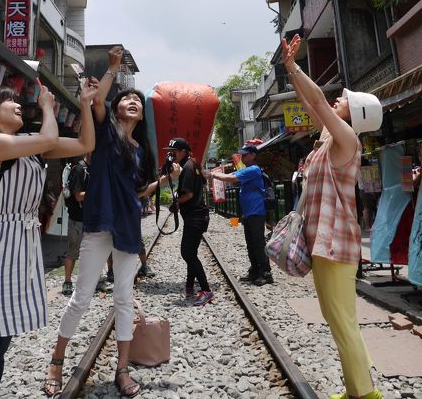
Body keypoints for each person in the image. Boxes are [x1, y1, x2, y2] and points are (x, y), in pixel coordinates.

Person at [0, 78, 98, 399]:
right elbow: (51, 137)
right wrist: (46, 107)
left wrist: (84, 103)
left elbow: (85, 145)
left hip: (19, 253)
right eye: (8, 101)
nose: (17, 104)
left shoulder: (32, 143)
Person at [44, 46, 180, 398]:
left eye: (138, 99)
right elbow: (96, 101)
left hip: (128, 227)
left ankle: (122, 369)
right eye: (127, 98)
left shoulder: (141, 149)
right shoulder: (105, 133)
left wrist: (164, 182)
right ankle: (57, 360)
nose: (133, 101)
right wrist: (112, 67)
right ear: (117, 106)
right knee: (82, 296)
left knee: (123, 297)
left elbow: (137, 192)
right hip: (100, 222)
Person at [282, 33, 383, 399]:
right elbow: (313, 103)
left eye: (345, 101)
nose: (338, 99)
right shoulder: (329, 137)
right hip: (324, 243)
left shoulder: (348, 141)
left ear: (353, 115)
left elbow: (320, 101)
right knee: (337, 320)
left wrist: (294, 66)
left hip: (336, 245)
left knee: (342, 321)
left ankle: (366, 394)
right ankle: (356, 388)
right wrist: (291, 72)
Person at [211, 141, 273, 286]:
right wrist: (214, 173)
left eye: (245, 154)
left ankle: (266, 273)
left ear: (253, 155)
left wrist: (213, 176)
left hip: (256, 212)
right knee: (251, 243)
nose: (242, 157)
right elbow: (233, 174)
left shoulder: (254, 169)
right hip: (249, 212)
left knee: (258, 243)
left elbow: (231, 178)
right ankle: (254, 271)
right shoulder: (247, 169)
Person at [167, 137, 213, 306]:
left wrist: (175, 202)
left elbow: (188, 195)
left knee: (187, 253)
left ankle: (206, 290)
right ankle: (189, 287)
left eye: (174, 151)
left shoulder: (187, 168)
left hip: (195, 217)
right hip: (199, 216)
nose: (172, 154)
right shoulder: (193, 164)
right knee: (191, 252)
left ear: (183, 151)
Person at [62, 154, 90, 296]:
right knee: (73, 252)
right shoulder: (80, 169)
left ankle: (91, 281)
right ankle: (67, 281)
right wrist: (97, 191)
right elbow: (78, 196)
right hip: (77, 219)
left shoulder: (94, 168)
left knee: (91, 252)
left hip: (91, 218)